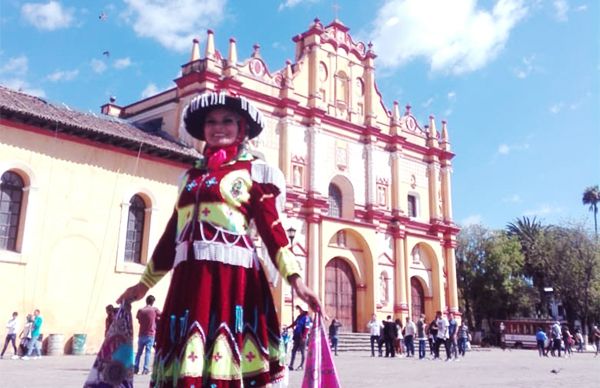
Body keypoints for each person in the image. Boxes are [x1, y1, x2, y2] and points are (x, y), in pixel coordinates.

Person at [117, 91, 322, 387]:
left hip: (235, 282)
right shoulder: (190, 178)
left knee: (228, 351)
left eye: (228, 120)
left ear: (243, 129)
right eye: (211, 121)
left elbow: (273, 232)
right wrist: (143, 285)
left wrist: (297, 282)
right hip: (190, 281)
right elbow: (171, 237)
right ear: (202, 129)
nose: (218, 127)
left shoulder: (254, 173)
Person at [134, 295, 161, 375]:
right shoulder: (154, 310)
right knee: (148, 352)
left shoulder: (140, 310)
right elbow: (162, 315)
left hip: (141, 334)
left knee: (139, 353)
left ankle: (135, 368)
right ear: (152, 302)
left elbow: (138, 319)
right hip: (150, 334)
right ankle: (145, 369)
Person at [288, 305, 311, 370]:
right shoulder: (299, 317)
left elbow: (307, 328)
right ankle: (291, 365)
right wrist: (288, 327)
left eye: (300, 309)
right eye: (299, 309)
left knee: (302, 351)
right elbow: (295, 323)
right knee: (293, 350)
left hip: (302, 337)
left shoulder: (306, 318)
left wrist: (303, 337)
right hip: (297, 336)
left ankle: (301, 365)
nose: (299, 310)